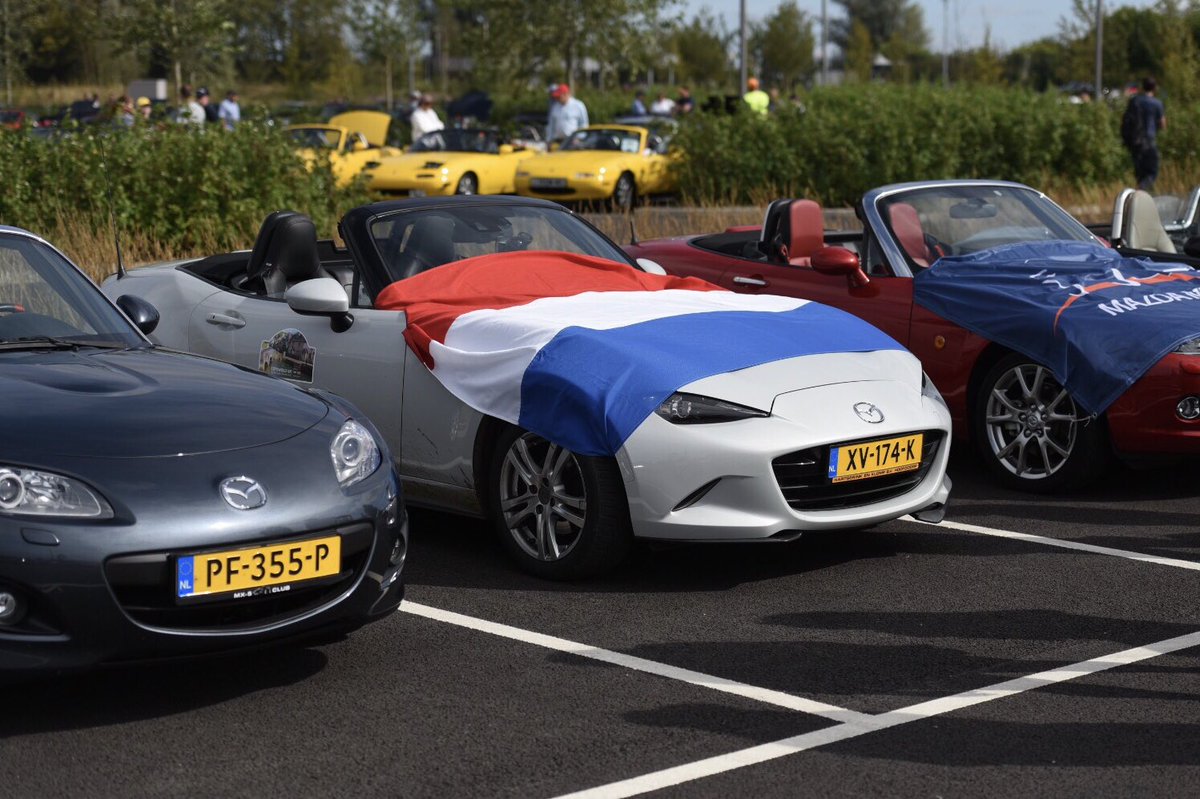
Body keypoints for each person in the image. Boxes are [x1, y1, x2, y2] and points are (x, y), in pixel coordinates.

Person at [1125, 77, 1167, 191]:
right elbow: (1163, 124)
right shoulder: (1157, 103)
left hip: (1135, 142)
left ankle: (1139, 196)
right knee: (1152, 172)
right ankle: (1140, 192)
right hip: (1149, 142)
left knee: (1140, 174)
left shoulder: (1135, 101)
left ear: (1142, 87)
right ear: (1154, 88)